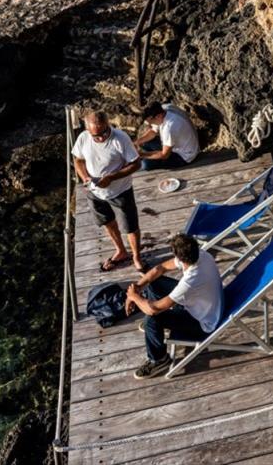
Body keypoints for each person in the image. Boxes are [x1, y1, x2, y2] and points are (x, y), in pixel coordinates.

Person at [125, 232, 223, 380]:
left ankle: (158, 359)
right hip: (202, 304)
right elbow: (160, 269)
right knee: (154, 283)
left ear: (179, 257)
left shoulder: (189, 282)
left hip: (203, 322)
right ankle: (154, 330)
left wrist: (133, 297)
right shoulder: (201, 255)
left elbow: (153, 309)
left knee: (152, 319)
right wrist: (138, 287)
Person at [72, 109, 144, 273]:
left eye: (104, 132)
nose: (101, 138)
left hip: (120, 191)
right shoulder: (83, 138)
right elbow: (78, 160)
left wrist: (112, 178)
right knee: (107, 222)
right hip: (94, 191)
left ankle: (137, 257)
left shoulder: (121, 138)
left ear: (108, 124)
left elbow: (136, 164)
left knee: (130, 227)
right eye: (95, 136)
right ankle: (121, 250)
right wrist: (85, 177)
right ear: (87, 130)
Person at [135, 101, 200, 171]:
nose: (149, 124)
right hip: (182, 143)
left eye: (150, 122)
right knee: (144, 143)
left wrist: (141, 155)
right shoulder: (165, 108)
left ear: (158, 116)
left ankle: (152, 158)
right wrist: (135, 143)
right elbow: (153, 131)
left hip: (184, 156)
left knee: (145, 165)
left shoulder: (169, 127)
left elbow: (164, 155)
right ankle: (151, 155)